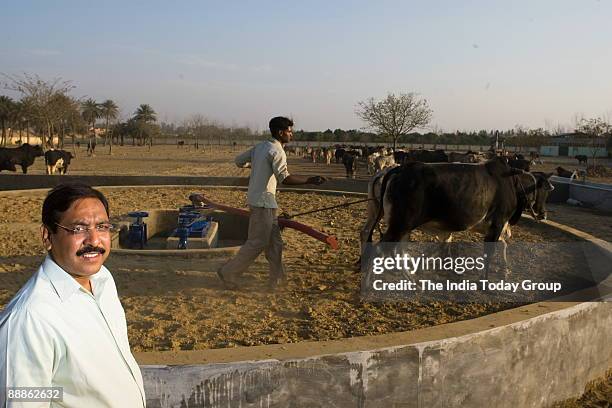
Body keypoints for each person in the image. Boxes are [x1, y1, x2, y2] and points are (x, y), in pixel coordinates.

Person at [0, 183, 145, 407]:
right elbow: (24, 399)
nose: (95, 241)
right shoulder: (30, 319)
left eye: (103, 226)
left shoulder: (102, 280)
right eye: (79, 229)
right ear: (47, 236)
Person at [196, 116, 326, 290]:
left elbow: (238, 161)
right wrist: (309, 180)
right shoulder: (277, 151)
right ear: (281, 133)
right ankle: (228, 272)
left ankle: (277, 279)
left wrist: (257, 165)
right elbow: (285, 179)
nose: (291, 134)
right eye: (289, 131)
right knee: (257, 242)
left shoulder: (261, 146)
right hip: (264, 202)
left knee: (275, 243)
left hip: (260, 201)